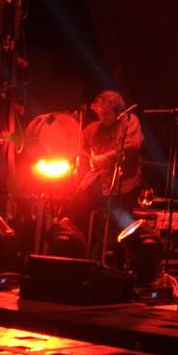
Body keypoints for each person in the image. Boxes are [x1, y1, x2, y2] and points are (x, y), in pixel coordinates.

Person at [67, 90, 143, 242]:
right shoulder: (92, 128)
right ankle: (78, 245)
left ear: (118, 112)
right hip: (97, 181)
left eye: (106, 114)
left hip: (124, 186)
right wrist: (85, 156)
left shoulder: (129, 121)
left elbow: (133, 145)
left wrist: (105, 157)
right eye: (100, 114)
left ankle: (116, 252)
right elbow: (79, 147)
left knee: (119, 230)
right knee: (75, 209)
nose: (102, 118)